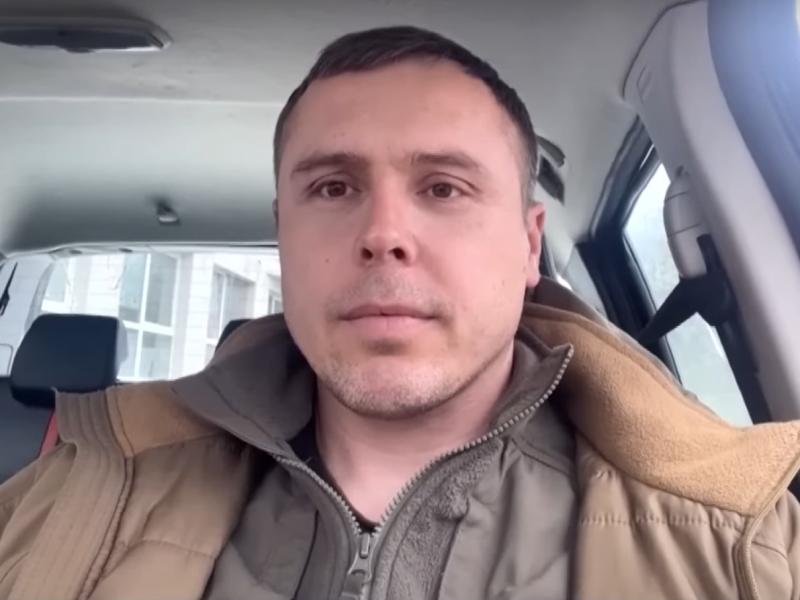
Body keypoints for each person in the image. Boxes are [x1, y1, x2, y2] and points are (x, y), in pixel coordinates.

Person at [1, 25, 799, 600]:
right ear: (282, 235)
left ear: (529, 246)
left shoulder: (745, 549)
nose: (383, 234)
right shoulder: (54, 504)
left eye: (444, 188)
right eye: (333, 187)